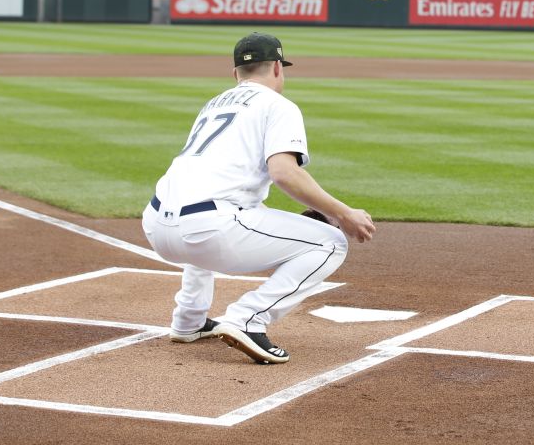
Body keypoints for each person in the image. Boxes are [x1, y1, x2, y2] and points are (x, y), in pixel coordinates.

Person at [141, 33, 376, 364]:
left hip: (156, 226)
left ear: (235, 73)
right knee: (330, 243)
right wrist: (343, 213)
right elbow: (284, 172)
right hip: (209, 231)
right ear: (278, 68)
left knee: (214, 209)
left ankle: (188, 320)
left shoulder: (213, 104)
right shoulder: (278, 105)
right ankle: (247, 319)